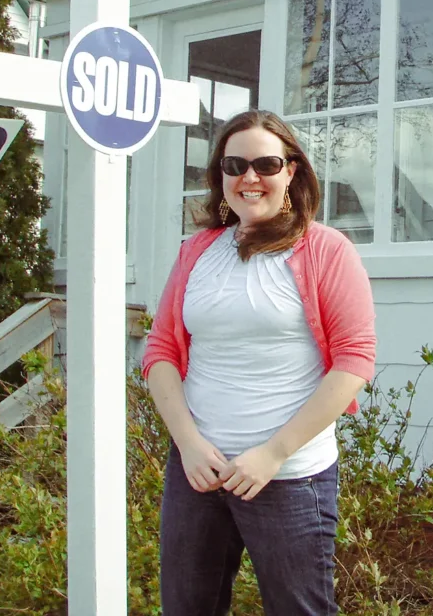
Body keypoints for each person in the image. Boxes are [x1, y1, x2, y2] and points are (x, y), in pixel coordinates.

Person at [142, 109, 376, 616]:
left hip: (289, 476)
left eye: (266, 163)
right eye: (234, 164)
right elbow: (160, 350)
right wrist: (188, 445)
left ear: (291, 170)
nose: (249, 177)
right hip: (197, 473)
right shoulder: (197, 252)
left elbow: (354, 361)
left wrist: (272, 454)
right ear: (220, 175)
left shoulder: (326, 250)